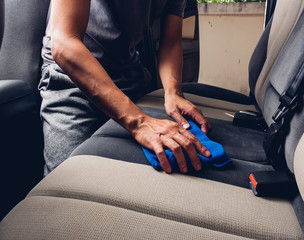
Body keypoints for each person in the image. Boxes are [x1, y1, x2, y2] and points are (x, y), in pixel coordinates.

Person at [39, 0, 211, 176]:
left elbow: (172, 41)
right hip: (71, 79)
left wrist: (173, 92)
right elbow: (64, 44)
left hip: (130, 77)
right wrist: (140, 122)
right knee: (68, 181)